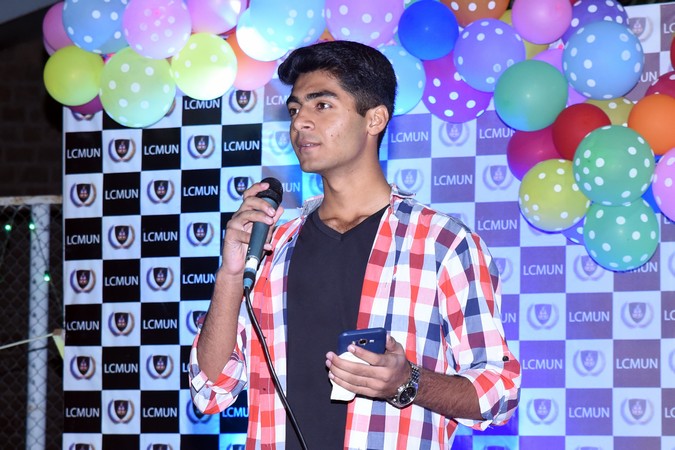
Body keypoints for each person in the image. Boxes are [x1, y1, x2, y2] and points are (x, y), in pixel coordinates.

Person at [189, 40, 520, 449]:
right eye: (294, 110)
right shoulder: (274, 247)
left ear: (374, 119)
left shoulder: (443, 243)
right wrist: (230, 274)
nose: (300, 122)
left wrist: (408, 382)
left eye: (322, 105)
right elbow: (210, 390)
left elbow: (499, 392)